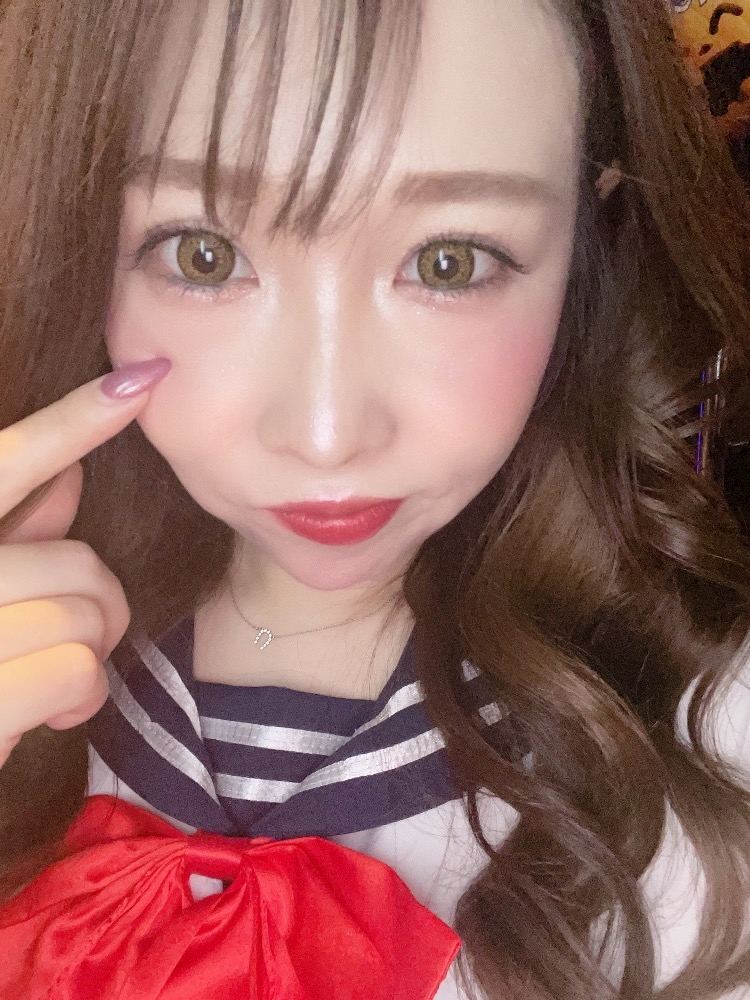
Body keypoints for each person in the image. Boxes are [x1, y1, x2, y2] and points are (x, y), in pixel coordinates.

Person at [0, 0, 749, 997]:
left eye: (450, 261)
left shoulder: (708, 752)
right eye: (202, 255)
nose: (326, 433)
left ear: (589, 244)